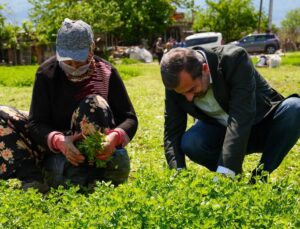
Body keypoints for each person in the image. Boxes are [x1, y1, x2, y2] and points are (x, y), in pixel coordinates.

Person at [160, 46, 300, 182]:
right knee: (192, 142)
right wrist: (178, 173)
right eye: (183, 93)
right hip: (220, 130)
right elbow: (172, 132)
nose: (189, 98)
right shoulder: (177, 83)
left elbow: (241, 117)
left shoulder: (234, 58)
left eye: (192, 89)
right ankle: (234, 176)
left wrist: (226, 170)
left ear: (205, 69)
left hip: (261, 124)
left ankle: (259, 178)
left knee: (295, 107)